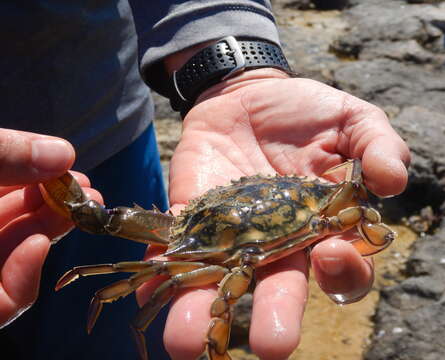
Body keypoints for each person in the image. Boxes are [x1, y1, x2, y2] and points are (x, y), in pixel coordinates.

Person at [0, 1, 410, 360]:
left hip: (107, 132)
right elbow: (364, 215)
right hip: (94, 140)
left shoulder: (190, 238)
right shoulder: (323, 206)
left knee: (141, 309)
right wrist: (366, 228)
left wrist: (235, 72)